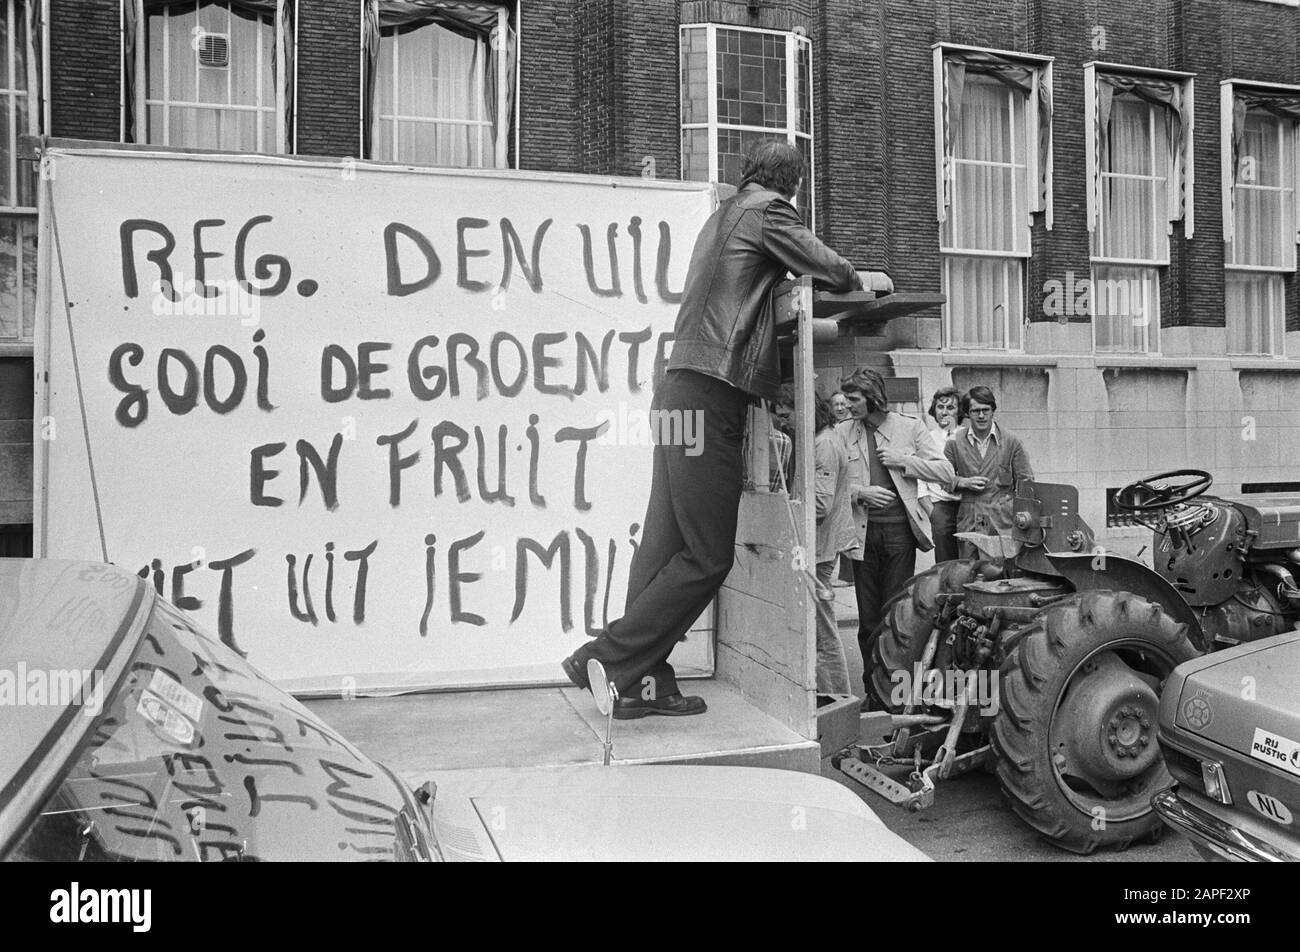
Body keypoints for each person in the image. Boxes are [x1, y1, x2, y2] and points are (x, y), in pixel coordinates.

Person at [562, 139, 864, 719]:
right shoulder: (768, 211)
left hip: (678, 390)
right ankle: (602, 657)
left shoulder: (719, 219)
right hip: (710, 393)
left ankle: (645, 685)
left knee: (663, 546)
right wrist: (856, 273)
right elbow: (824, 263)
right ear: (792, 184)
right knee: (708, 556)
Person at [837, 368, 954, 696]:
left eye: (854, 399)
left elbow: (945, 471)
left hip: (900, 535)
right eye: (846, 399)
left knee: (895, 619)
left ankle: (893, 694)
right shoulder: (843, 432)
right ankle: (872, 694)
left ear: (872, 397)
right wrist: (861, 492)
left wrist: (905, 461)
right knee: (867, 621)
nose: (848, 405)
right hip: (862, 535)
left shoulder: (909, 427)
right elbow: (828, 481)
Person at [945, 385, 1034, 559]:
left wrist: (1019, 519)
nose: (981, 415)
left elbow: (1026, 483)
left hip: (1001, 520)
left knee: (1000, 572)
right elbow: (941, 479)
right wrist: (962, 482)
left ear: (993, 411)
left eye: (985, 410)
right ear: (967, 414)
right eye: (975, 411)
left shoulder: (1011, 441)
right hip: (969, 519)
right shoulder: (954, 443)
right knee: (969, 571)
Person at [813, 393, 857, 694]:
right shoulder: (824, 439)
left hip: (819, 547)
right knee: (819, 628)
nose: (781, 417)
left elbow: (820, 504)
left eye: (785, 410)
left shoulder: (824, 444)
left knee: (823, 630)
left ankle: (839, 697)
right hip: (821, 546)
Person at [919, 386, 963, 564]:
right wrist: (932, 512)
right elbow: (920, 478)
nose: (944, 413)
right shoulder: (926, 439)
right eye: (940, 407)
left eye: (950, 408)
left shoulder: (967, 436)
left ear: (959, 411)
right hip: (941, 507)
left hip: (966, 505)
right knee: (945, 563)